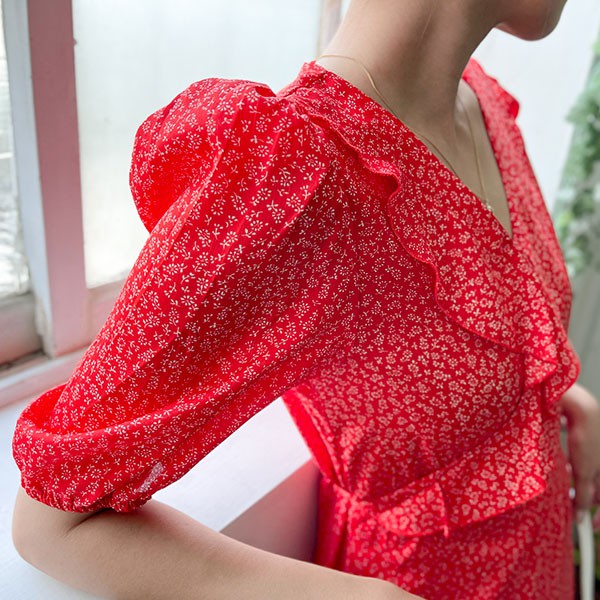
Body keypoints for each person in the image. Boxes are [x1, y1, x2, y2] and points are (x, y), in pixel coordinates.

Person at [10, 0, 600, 598]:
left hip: (542, 556)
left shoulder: (480, 104)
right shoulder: (296, 176)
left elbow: (466, 324)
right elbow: (54, 524)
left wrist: (544, 395)